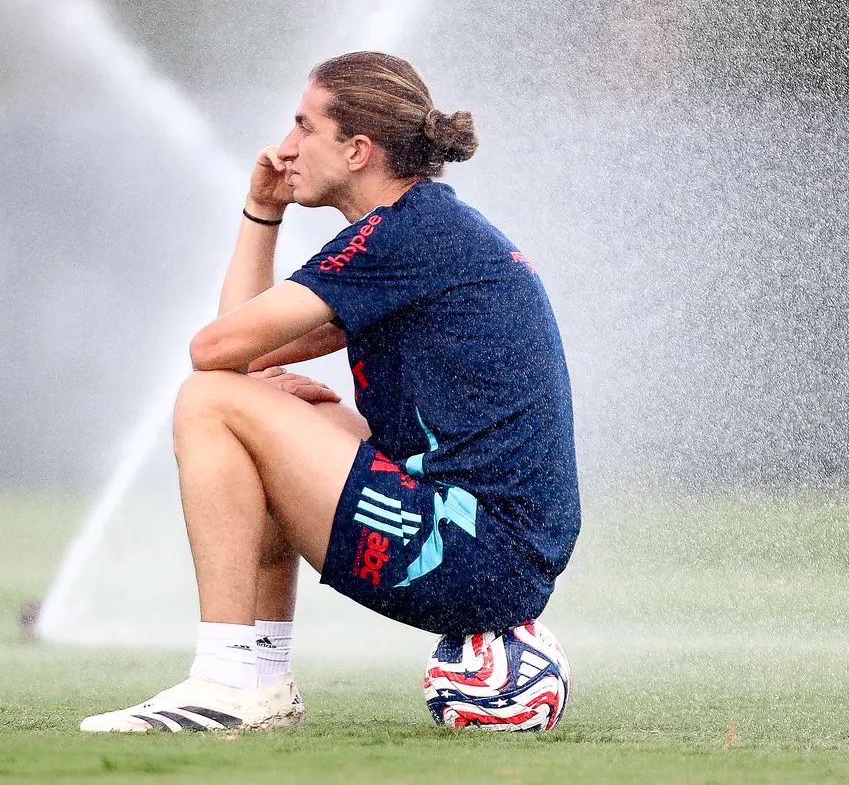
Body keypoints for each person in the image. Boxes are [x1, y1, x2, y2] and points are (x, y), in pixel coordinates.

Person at [80, 51, 580, 733]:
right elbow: (242, 357)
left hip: (474, 557)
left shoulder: (402, 237)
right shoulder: (420, 230)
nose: (285, 148)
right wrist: (263, 210)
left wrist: (254, 386)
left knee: (206, 402)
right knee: (249, 407)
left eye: (303, 126)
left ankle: (226, 682)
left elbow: (215, 354)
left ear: (356, 150)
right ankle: (259, 680)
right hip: (495, 557)